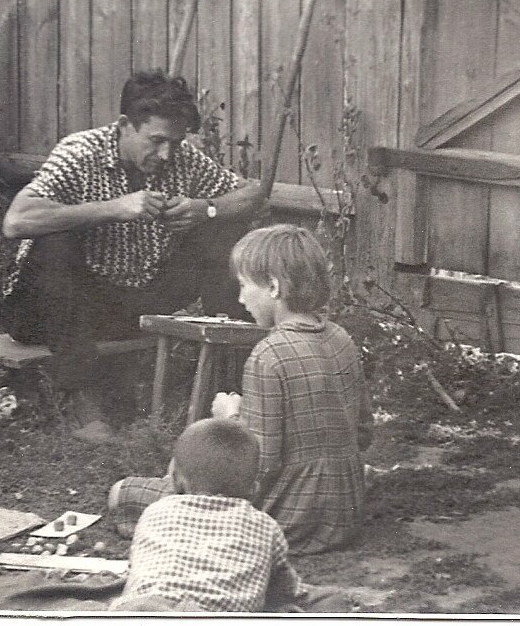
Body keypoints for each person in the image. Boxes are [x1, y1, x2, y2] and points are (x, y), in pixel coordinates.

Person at [0, 69, 264, 444]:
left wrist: (206, 208)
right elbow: (16, 220)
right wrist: (112, 208)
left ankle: (236, 390)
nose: (167, 153)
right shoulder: (81, 152)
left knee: (221, 229)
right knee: (53, 243)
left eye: (175, 141)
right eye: (156, 141)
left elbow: (252, 194)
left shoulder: (181, 157)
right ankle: (83, 406)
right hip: (45, 308)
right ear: (125, 125)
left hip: (128, 299)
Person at [110, 225, 373, 556]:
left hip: (286, 522)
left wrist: (231, 418)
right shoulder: (341, 339)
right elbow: (363, 434)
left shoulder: (269, 354)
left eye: (245, 286)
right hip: (344, 513)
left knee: (124, 493)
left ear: (274, 287)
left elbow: (259, 466)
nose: (239, 298)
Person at [109, 418, 303, 612]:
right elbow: (286, 588)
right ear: (254, 490)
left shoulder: (155, 511)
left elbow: (137, 569)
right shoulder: (266, 526)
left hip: (147, 609)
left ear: (175, 482)